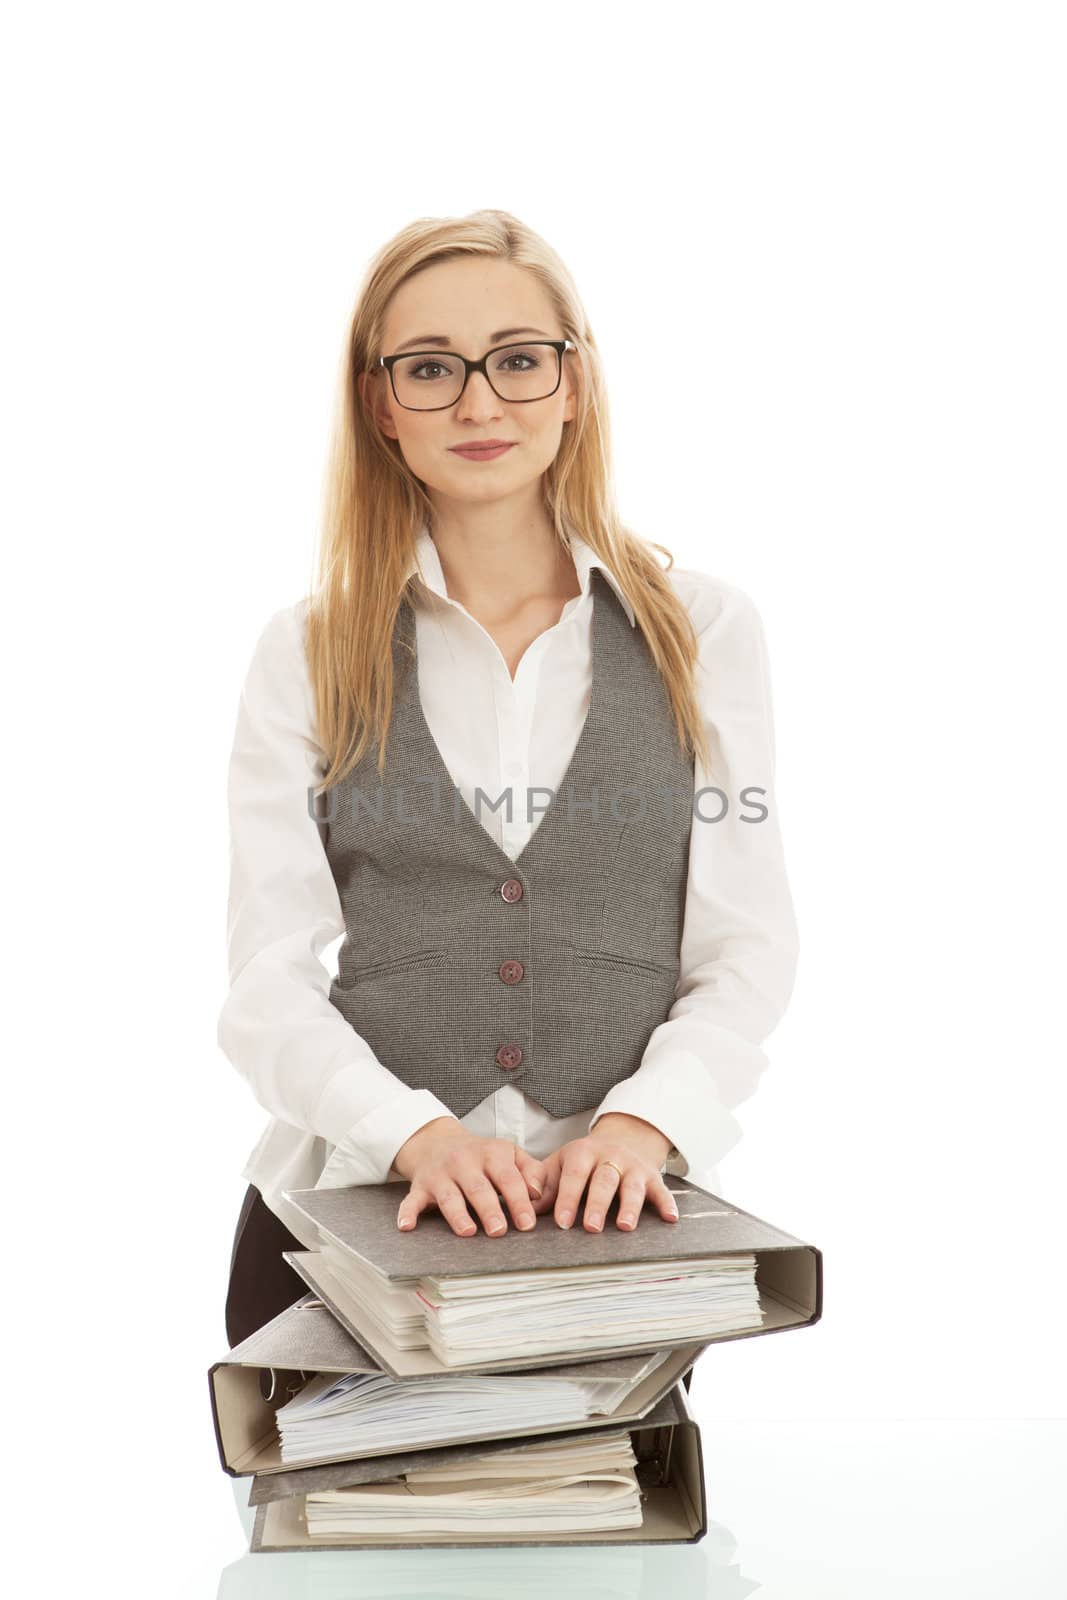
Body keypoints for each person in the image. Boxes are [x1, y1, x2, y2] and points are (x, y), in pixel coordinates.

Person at [218, 208, 799, 1349]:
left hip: (611, 1236)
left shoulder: (704, 631)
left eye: (518, 360)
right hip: (343, 1221)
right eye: (430, 368)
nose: (479, 403)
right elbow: (265, 979)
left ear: (574, 384)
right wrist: (412, 1136)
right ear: (378, 401)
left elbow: (744, 947)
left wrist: (640, 1126)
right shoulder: (307, 650)